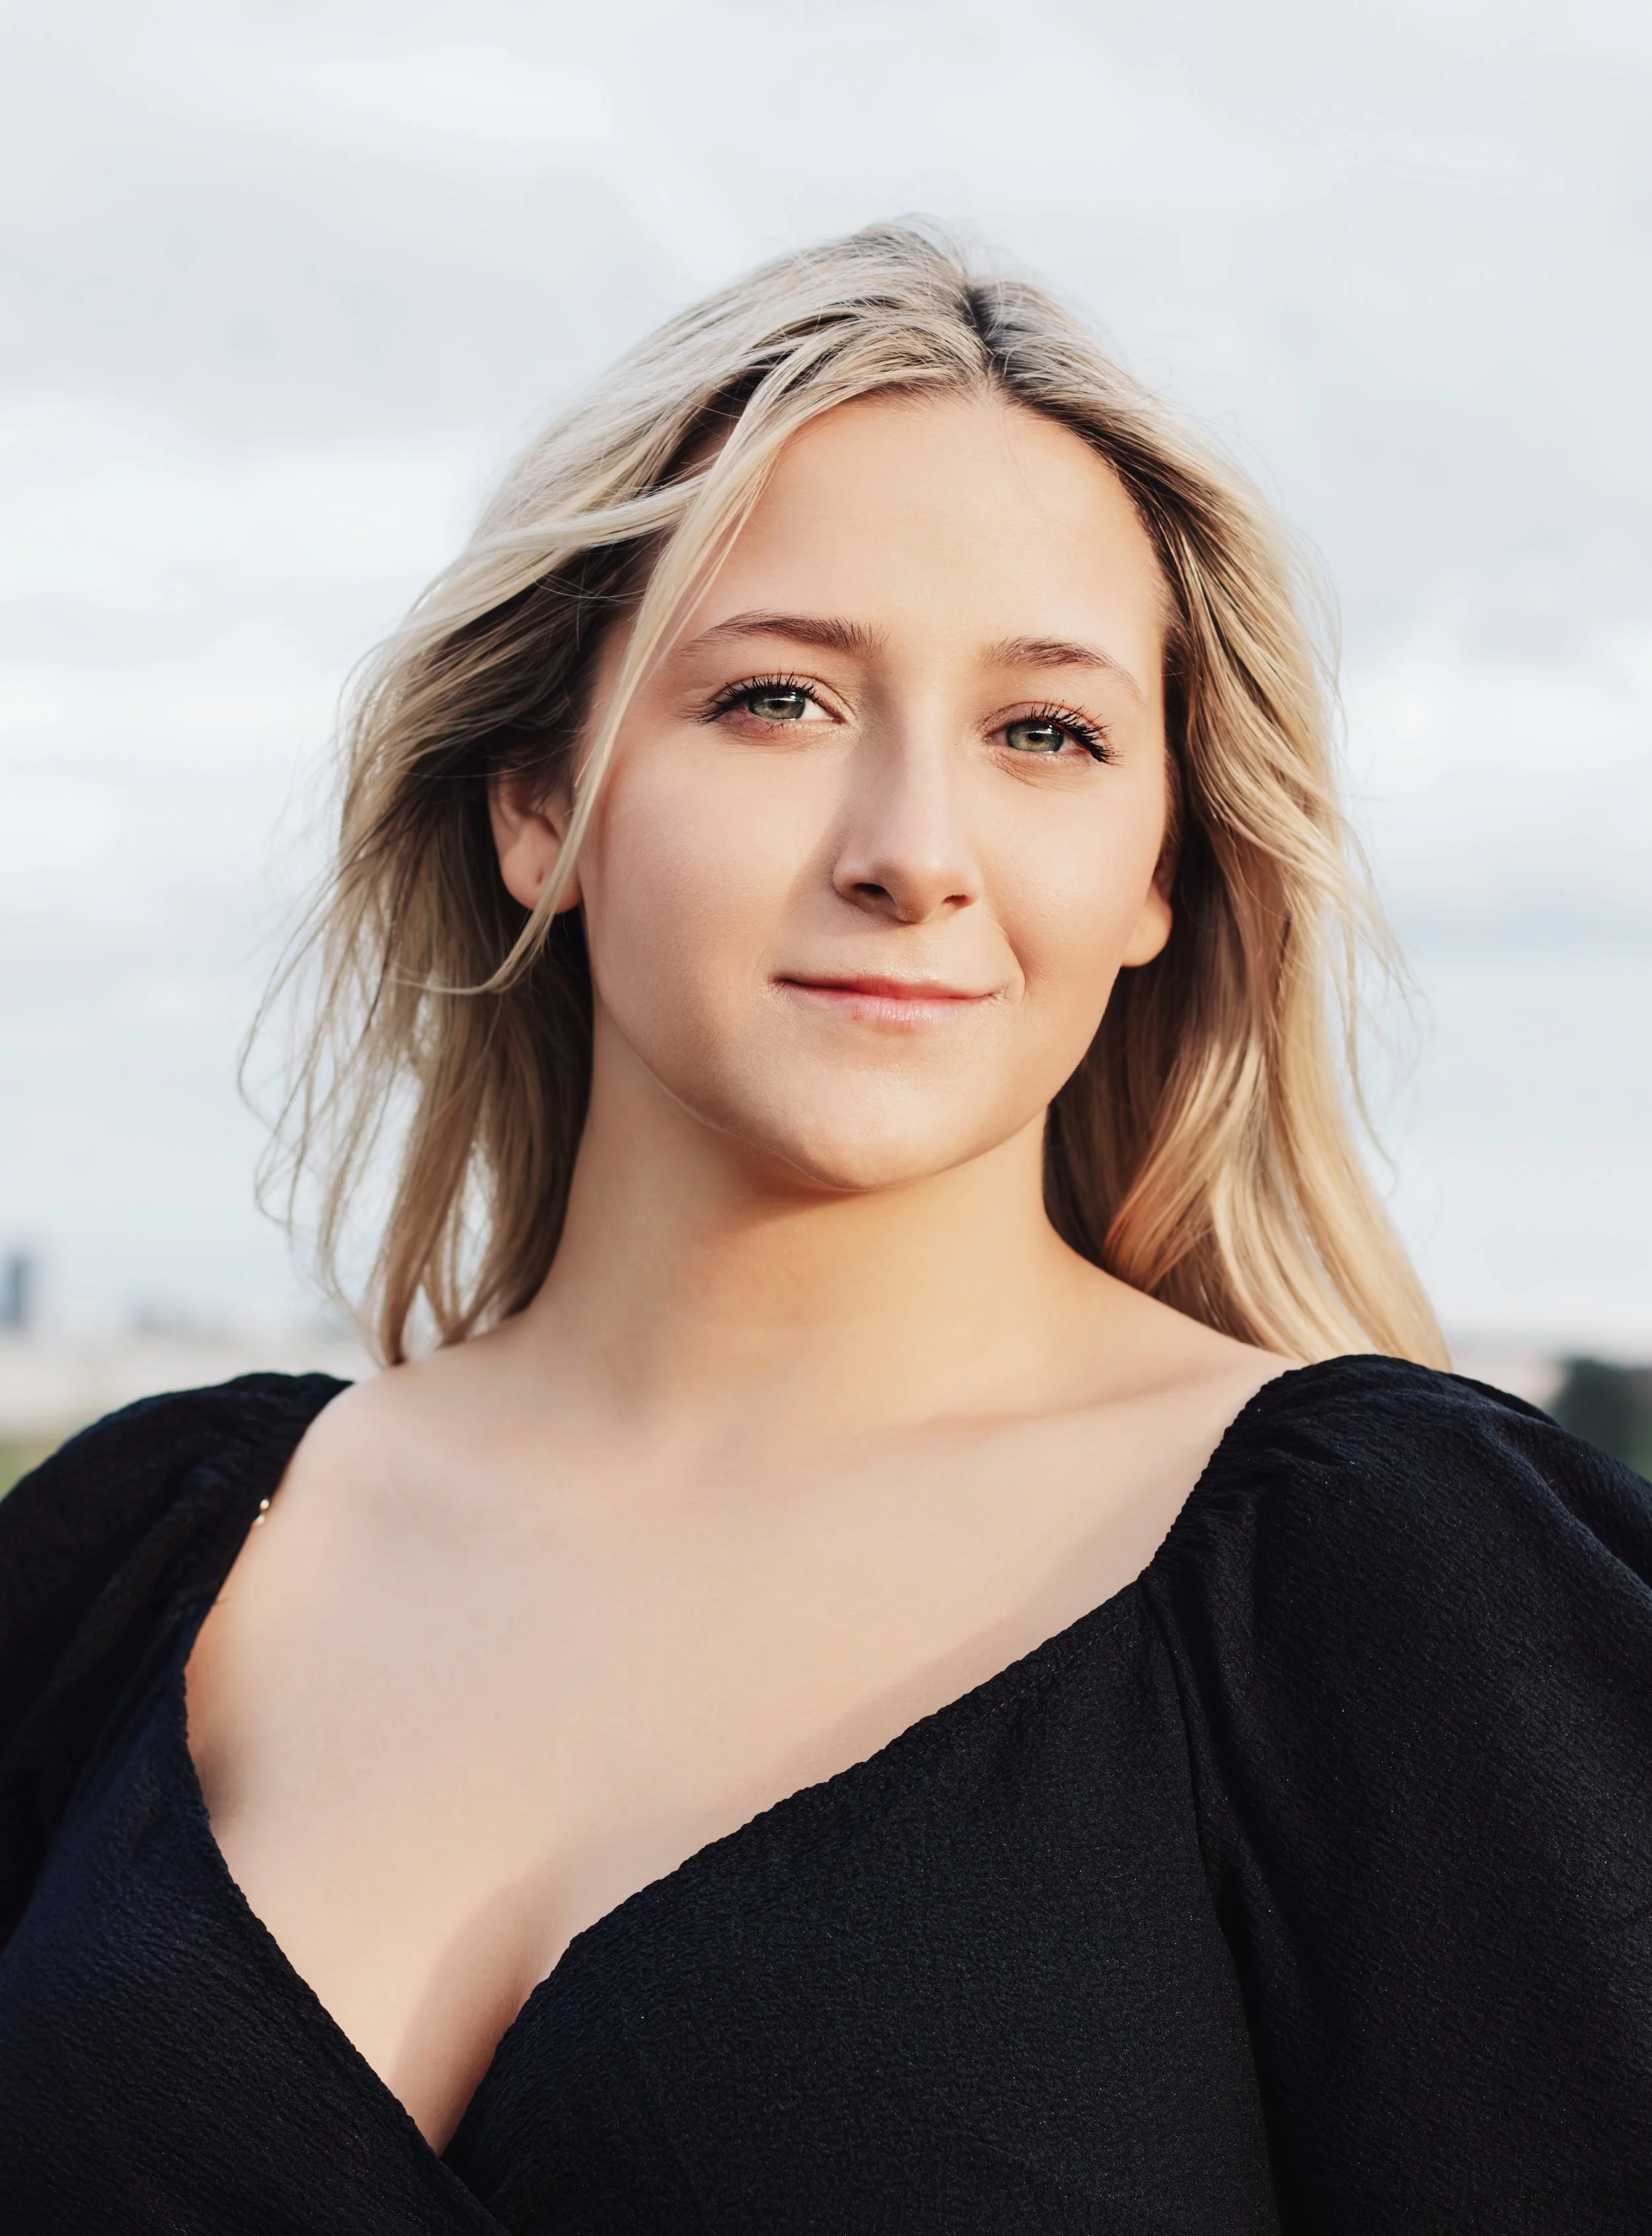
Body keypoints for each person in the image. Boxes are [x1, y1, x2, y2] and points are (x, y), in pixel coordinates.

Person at [1, 223, 1647, 2235]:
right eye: (776, 699)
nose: (910, 855)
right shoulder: (129, 1562)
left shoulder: (1386, 1585)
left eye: (1044, 732)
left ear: (1158, 869)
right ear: (539, 801)